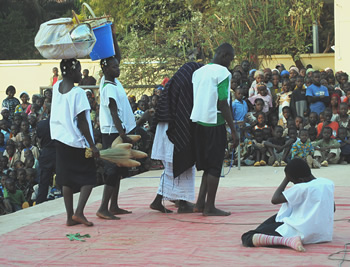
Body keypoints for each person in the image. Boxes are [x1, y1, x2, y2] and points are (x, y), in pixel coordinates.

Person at [241, 158, 334, 252]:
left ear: (300, 180)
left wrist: (286, 178)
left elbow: (275, 199)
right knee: (273, 220)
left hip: (299, 231)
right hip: (322, 233)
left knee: (248, 237)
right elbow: (332, 208)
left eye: (292, 181)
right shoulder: (327, 183)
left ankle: (287, 241)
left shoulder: (301, 187)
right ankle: (284, 238)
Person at [50, 58, 100, 226]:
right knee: (89, 178)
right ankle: (79, 212)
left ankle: (69, 216)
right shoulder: (78, 93)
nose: (81, 73)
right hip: (75, 140)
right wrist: (92, 145)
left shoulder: (56, 87)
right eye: (79, 70)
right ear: (71, 72)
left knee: (66, 179)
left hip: (59, 138)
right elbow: (82, 122)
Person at [190, 43, 238, 216]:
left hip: (198, 122)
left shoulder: (198, 72)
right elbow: (223, 102)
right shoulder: (223, 73)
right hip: (214, 123)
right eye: (230, 60)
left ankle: (200, 203)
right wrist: (233, 129)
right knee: (215, 166)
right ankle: (210, 207)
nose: (230, 64)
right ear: (224, 56)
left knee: (207, 166)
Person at [150, 62, 203, 214]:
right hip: (174, 133)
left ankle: (158, 201)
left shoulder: (175, 84)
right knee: (181, 164)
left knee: (171, 169)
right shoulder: (187, 86)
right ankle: (183, 203)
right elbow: (185, 112)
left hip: (168, 131)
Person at [96, 56, 136, 220]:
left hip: (115, 131)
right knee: (112, 170)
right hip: (113, 132)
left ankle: (113, 205)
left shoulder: (111, 81)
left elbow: (116, 55)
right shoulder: (109, 87)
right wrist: (122, 135)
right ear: (106, 69)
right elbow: (114, 112)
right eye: (114, 67)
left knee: (119, 168)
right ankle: (103, 207)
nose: (117, 69)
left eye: (118, 66)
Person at [36, 117, 56, 204]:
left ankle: (40, 202)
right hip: (58, 152)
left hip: (46, 152)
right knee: (63, 178)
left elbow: (39, 138)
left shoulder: (41, 124)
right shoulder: (59, 123)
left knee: (43, 181)